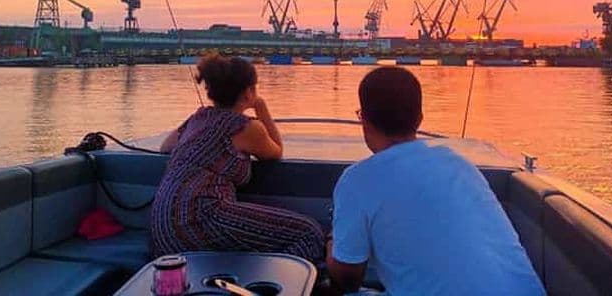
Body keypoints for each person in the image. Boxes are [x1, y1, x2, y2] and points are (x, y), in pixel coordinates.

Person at [326, 67, 544, 296]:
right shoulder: (461, 166)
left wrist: (332, 242)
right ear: (419, 119)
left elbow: (347, 279)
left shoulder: (357, 180)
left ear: (365, 120)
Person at [151, 54, 325, 262]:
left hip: (163, 227)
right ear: (248, 92)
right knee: (310, 234)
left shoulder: (198, 117)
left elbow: (165, 148)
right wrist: (261, 107)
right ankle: (273, 282)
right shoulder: (245, 127)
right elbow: (276, 151)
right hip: (198, 219)